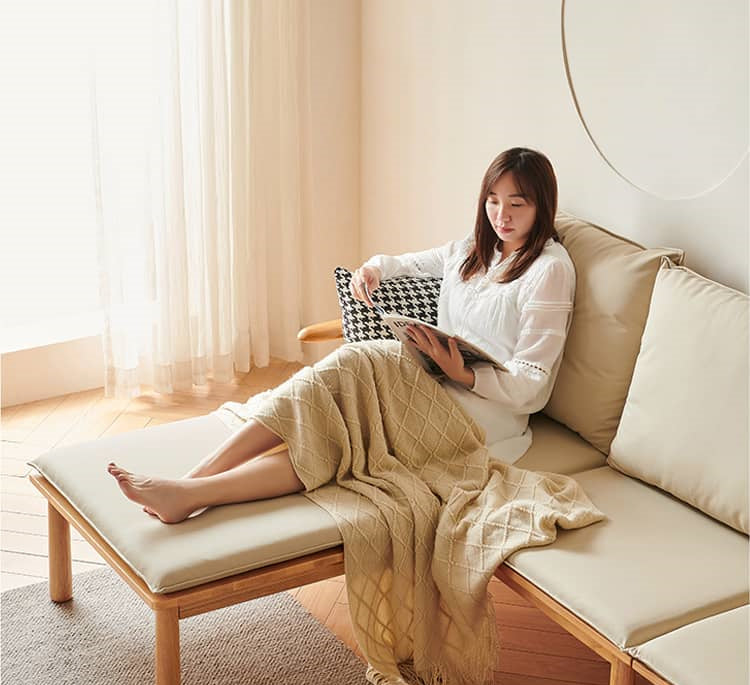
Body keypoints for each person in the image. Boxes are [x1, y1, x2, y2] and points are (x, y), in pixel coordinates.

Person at [107, 146, 575, 524]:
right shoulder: (476, 250)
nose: (502, 215)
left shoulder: (549, 271)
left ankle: (192, 490)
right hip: (434, 383)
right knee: (329, 414)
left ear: (541, 206)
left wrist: (467, 377)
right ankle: (190, 484)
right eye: (493, 201)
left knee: (342, 413)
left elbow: (533, 385)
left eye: (518, 203)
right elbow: (409, 264)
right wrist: (372, 269)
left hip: (484, 416)